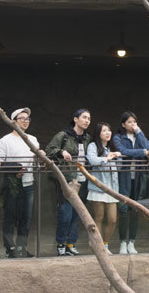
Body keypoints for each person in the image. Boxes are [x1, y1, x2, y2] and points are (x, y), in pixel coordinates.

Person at [0, 107, 43, 258]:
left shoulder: (32, 139)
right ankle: (10, 249)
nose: (25, 121)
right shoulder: (5, 140)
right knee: (9, 217)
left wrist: (41, 156)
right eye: (22, 118)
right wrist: (16, 169)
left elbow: (37, 158)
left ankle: (21, 247)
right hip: (12, 185)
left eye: (27, 119)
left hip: (28, 183)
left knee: (26, 218)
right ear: (13, 121)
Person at [45, 109, 92, 256]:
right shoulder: (63, 135)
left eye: (89, 119)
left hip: (82, 179)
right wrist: (61, 152)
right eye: (84, 117)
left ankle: (71, 244)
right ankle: (61, 245)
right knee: (65, 213)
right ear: (75, 119)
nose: (87, 121)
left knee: (77, 214)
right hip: (66, 179)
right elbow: (48, 150)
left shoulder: (87, 138)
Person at [113, 111, 149, 255]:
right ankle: (122, 242)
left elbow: (147, 145)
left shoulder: (138, 135)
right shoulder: (118, 137)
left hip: (139, 177)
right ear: (123, 124)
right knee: (123, 210)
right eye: (129, 122)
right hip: (124, 176)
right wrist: (143, 152)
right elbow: (123, 151)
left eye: (134, 122)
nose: (132, 125)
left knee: (136, 209)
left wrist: (139, 132)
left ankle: (131, 243)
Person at [86, 122, 121, 255]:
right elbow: (92, 160)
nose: (108, 133)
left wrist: (115, 156)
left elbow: (120, 164)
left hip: (112, 187)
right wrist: (108, 157)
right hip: (98, 187)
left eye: (109, 130)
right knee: (99, 217)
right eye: (104, 131)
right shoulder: (93, 145)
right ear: (98, 133)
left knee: (112, 219)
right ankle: (98, 245)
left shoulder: (111, 147)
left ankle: (105, 244)